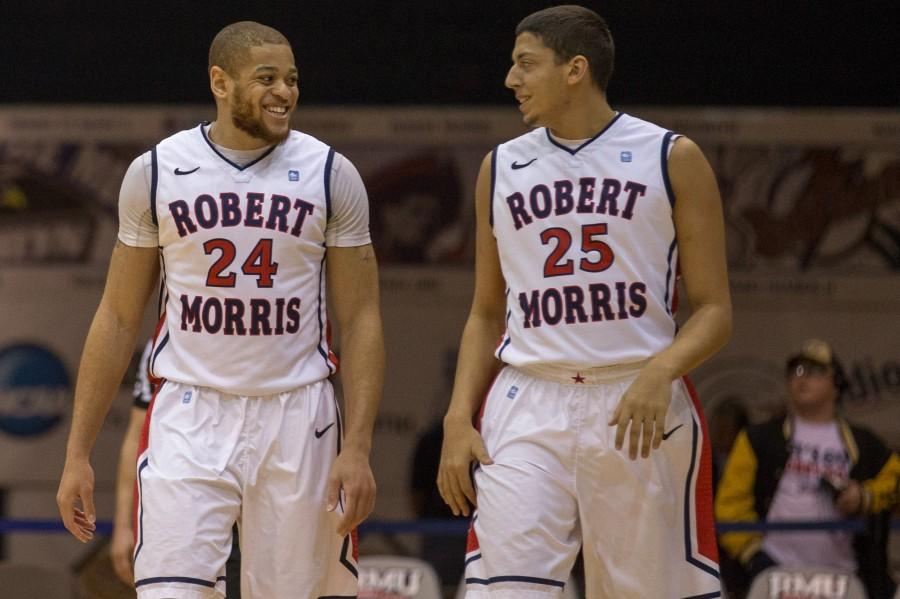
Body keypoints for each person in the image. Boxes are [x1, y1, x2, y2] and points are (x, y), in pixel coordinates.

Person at [56, 21, 385, 599]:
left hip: (299, 415)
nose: (284, 91)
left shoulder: (332, 174)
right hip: (189, 410)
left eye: (291, 79)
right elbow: (115, 317)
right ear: (221, 82)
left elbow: (360, 320)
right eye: (266, 79)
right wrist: (77, 451)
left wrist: (357, 446)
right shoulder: (156, 171)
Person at [437, 5, 732, 598]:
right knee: (503, 591)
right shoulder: (500, 168)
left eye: (526, 64)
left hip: (636, 401)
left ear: (575, 69)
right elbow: (486, 314)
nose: (510, 79)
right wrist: (456, 417)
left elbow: (715, 310)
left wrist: (662, 370)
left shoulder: (671, 157)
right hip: (526, 399)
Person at [716, 339, 900, 598]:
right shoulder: (758, 439)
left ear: (836, 383)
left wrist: (864, 496)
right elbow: (729, 507)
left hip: (846, 577)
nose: (802, 378)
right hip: (774, 578)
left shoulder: (864, 443)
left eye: (814, 371)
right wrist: (755, 557)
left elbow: (895, 482)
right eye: (796, 371)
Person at [110, 341, 242, 596]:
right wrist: (122, 525)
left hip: (257, 494)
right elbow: (136, 436)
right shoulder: (163, 344)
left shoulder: (271, 342)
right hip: (190, 502)